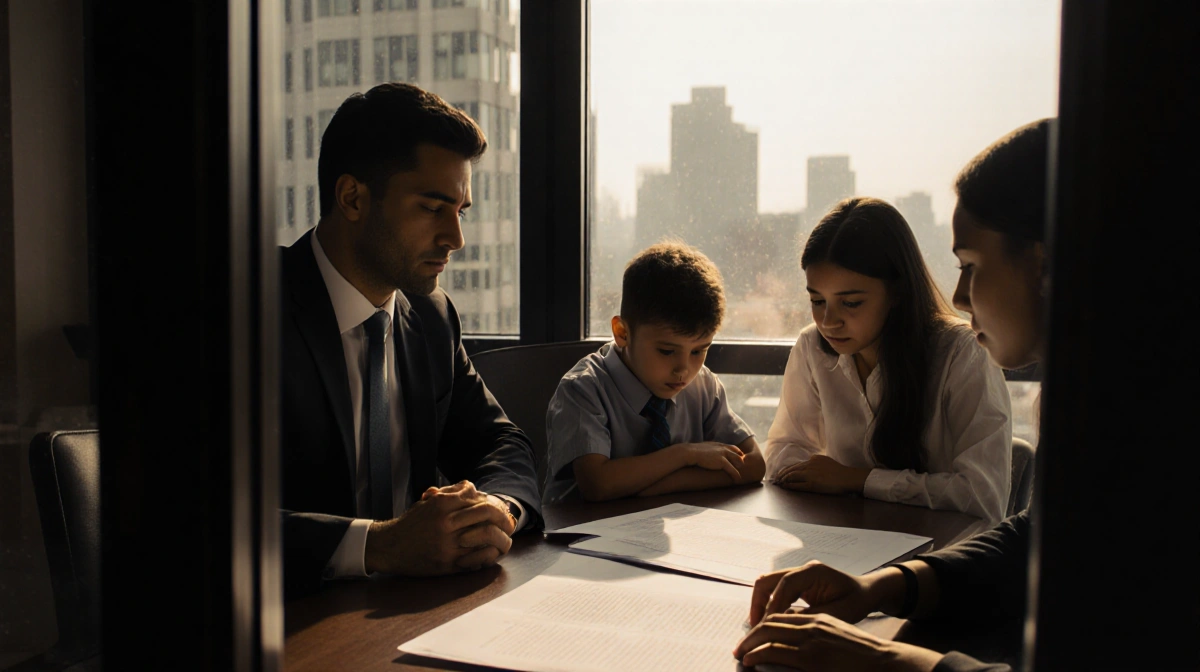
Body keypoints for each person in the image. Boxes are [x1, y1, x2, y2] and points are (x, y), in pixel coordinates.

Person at [735, 119, 1053, 672]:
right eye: (817, 301)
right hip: (861, 555)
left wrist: (885, 656)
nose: (957, 294)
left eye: (971, 267)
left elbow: (983, 505)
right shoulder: (1077, 404)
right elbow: (1028, 542)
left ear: (1045, 264)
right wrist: (881, 587)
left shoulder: (960, 355)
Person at [279, 83, 541, 598]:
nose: (455, 238)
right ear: (352, 198)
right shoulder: (244, 313)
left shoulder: (431, 315)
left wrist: (497, 510)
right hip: (279, 618)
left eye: (460, 211)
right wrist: (379, 545)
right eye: (431, 208)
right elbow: (197, 516)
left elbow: (500, 442)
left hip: (406, 609)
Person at [765, 197, 1013, 522]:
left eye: (851, 303)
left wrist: (856, 480)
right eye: (816, 300)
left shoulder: (961, 353)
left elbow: (983, 496)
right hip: (846, 538)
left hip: (937, 554)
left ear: (897, 291)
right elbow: (783, 453)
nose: (828, 321)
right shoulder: (813, 346)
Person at [543, 241, 766, 502]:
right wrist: (685, 454)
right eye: (666, 351)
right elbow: (599, 483)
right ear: (622, 333)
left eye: (698, 351)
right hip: (577, 535)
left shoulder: (703, 386)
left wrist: (665, 485)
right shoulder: (583, 389)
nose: (683, 369)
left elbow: (754, 464)